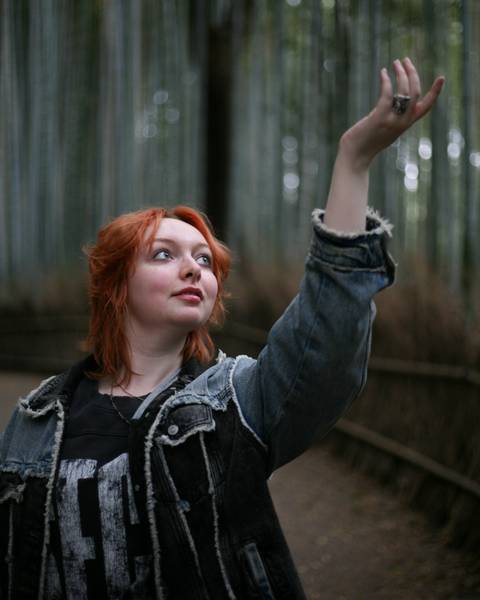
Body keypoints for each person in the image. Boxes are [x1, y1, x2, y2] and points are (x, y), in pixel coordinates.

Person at [0, 57, 444, 599]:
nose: (193, 269)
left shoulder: (235, 403)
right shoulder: (36, 422)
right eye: (163, 254)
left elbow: (325, 344)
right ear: (115, 285)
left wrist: (352, 161)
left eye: (205, 261)